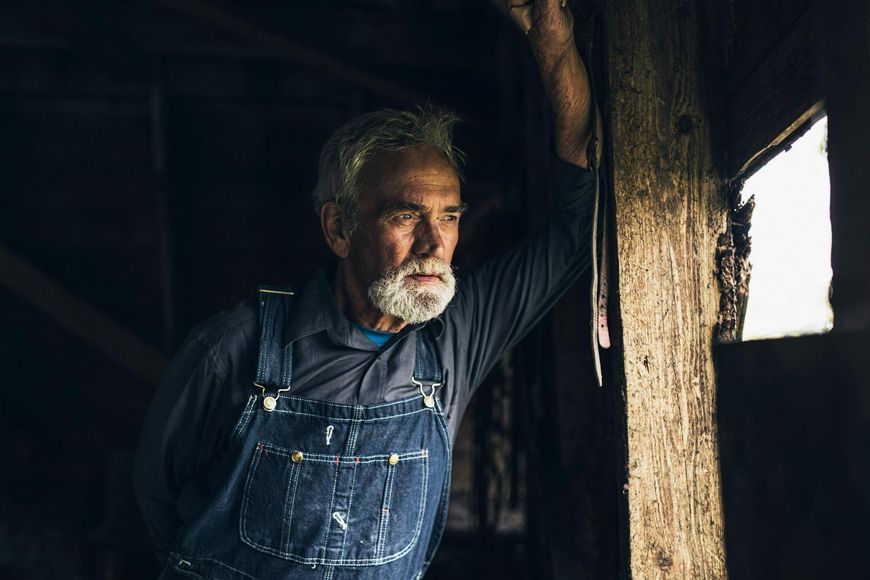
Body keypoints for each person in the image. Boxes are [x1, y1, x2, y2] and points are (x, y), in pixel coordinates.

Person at [133, 1, 598, 578]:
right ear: (339, 227)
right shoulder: (233, 350)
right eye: (406, 216)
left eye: (449, 216)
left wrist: (555, 49)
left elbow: (581, 222)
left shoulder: (456, 336)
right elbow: (157, 503)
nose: (434, 242)